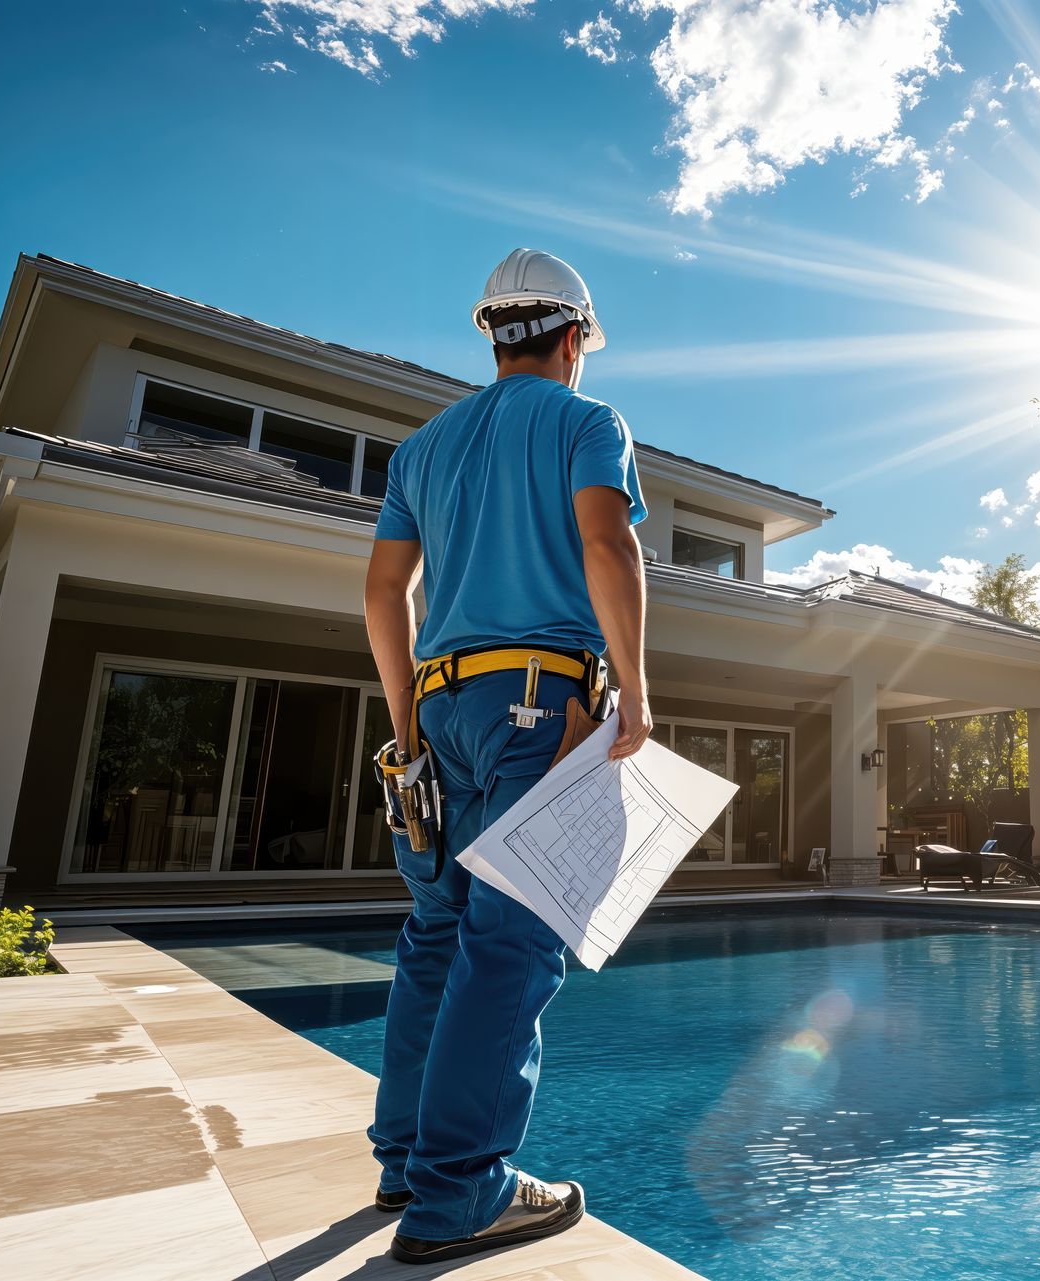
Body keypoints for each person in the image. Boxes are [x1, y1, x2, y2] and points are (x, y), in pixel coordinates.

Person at [363, 248, 653, 1266]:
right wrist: (635, 690)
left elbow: (380, 594)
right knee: (513, 941)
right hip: (539, 707)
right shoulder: (587, 423)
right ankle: (459, 1192)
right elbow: (607, 547)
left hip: (438, 712)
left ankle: (404, 1158)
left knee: (436, 938)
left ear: (494, 336)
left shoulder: (422, 449)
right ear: (574, 338)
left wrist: (407, 726)